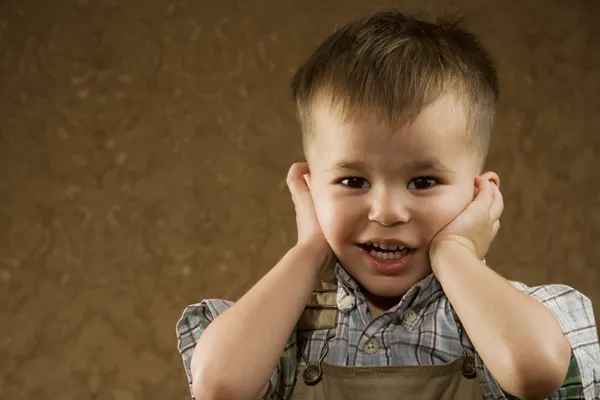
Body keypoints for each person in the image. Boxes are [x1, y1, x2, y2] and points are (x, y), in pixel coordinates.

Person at [176, 8, 600, 400]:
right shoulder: (283, 328)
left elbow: (537, 372)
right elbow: (219, 386)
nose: (385, 211)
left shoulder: (524, 319)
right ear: (309, 189)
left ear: (477, 195)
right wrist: (309, 250)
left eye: (423, 181)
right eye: (353, 180)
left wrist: (455, 252)